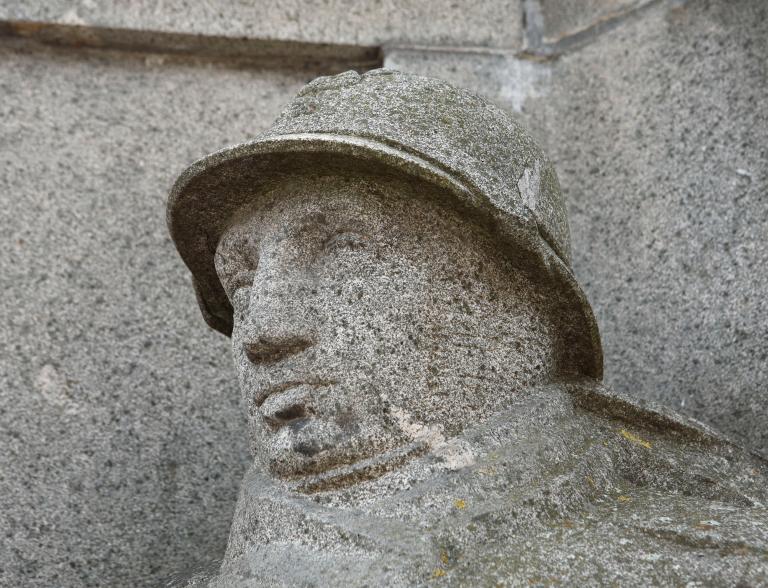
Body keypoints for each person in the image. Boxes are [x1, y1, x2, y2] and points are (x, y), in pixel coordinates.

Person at [168, 70, 768, 586]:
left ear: (528, 299)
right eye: (239, 284)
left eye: (347, 252)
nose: (263, 332)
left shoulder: (711, 563)